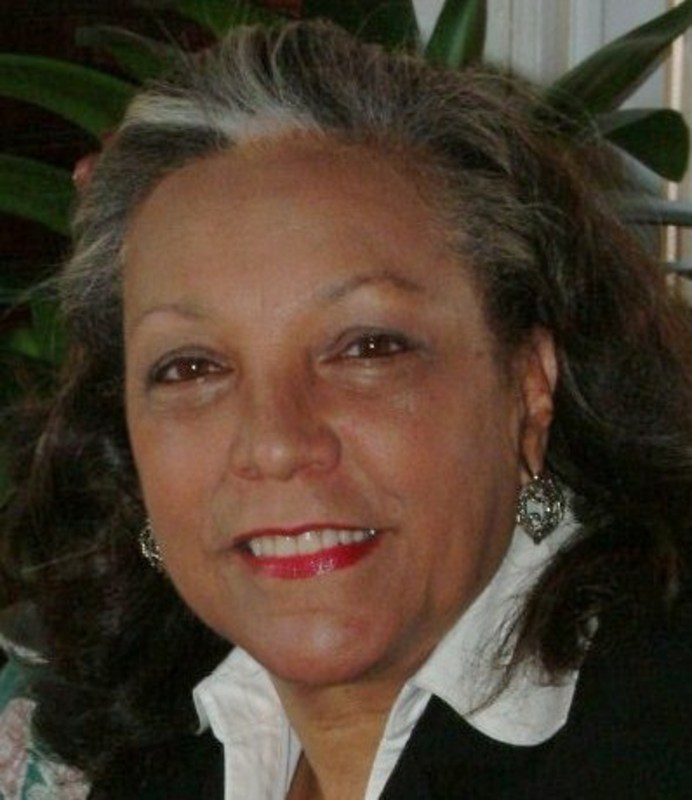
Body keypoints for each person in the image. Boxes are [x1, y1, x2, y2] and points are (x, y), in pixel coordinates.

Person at [0, 18, 691, 800]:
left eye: (367, 348)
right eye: (191, 367)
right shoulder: (147, 753)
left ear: (529, 387)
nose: (274, 442)